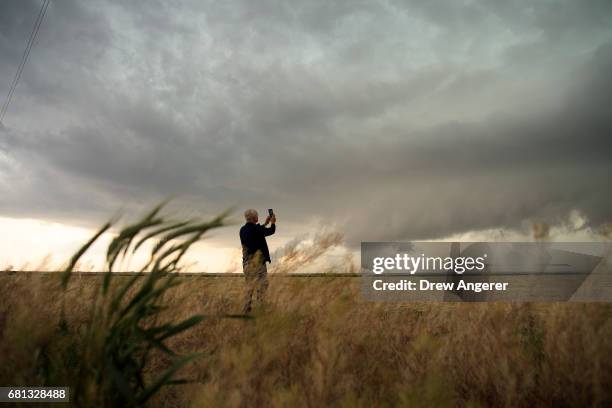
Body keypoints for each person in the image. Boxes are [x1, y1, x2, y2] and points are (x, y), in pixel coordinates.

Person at [240, 208, 276, 314]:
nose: (258, 217)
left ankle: (247, 309)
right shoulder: (257, 230)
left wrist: (265, 223)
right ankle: (261, 307)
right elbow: (271, 231)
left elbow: (256, 231)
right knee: (263, 285)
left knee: (249, 286)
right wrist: (272, 223)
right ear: (254, 218)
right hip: (258, 263)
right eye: (257, 216)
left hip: (246, 263)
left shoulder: (242, 230)